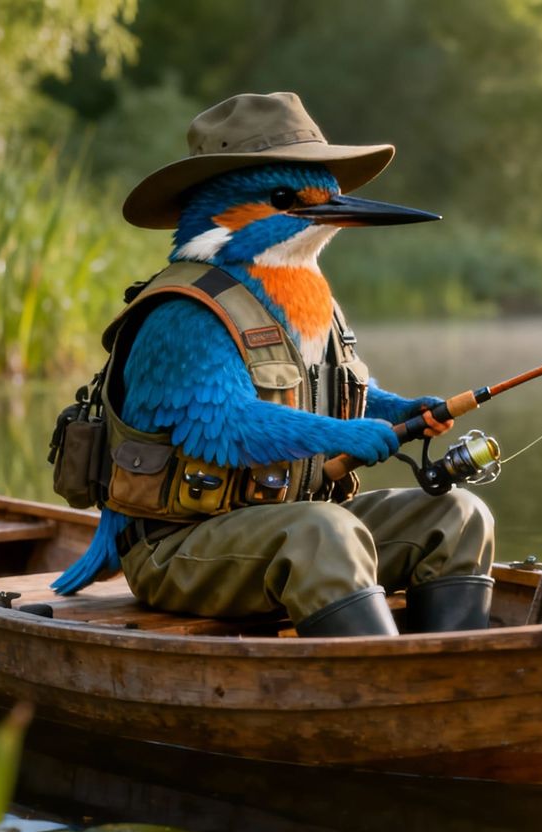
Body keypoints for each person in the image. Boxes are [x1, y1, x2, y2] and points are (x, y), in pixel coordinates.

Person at [50, 92, 495, 637]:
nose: (330, 210)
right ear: (220, 213)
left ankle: (455, 672)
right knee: (323, 532)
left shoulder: (311, 295)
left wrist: (402, 410)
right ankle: (383, 695)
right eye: (289, 199)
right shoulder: (184, 313)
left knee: (456, 515)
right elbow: (220, 430)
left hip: (286, 524)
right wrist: (343, 435)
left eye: (331, 198)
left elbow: (338, 390)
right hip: (178, 546)